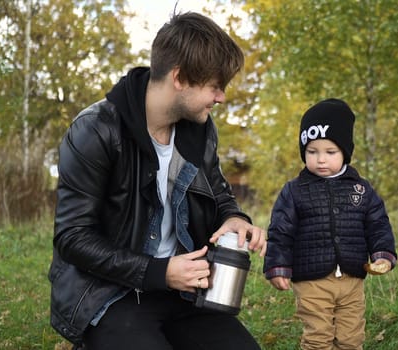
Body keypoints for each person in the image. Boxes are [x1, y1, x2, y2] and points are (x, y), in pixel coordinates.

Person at [48, 11, 266, 350]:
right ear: (179, 78)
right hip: (110, 294)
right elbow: (72, 237)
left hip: (183, 292)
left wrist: (235, 218)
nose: (221, 97)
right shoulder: (95, 129)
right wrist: (158, 271)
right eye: (214, 86)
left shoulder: (200, 129)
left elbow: (219, 194)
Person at [263, 98, 398, 349]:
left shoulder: (361, 188)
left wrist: (383, 254)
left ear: (345, 152)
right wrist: (278, 265)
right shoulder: (295, 190)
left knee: (351, 337)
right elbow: (281, 231)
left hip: (352, 278)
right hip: (311, 279)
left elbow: (377, 224)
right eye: (312, 152)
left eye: (330, 152)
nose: (320, 160)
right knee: (319, 336)